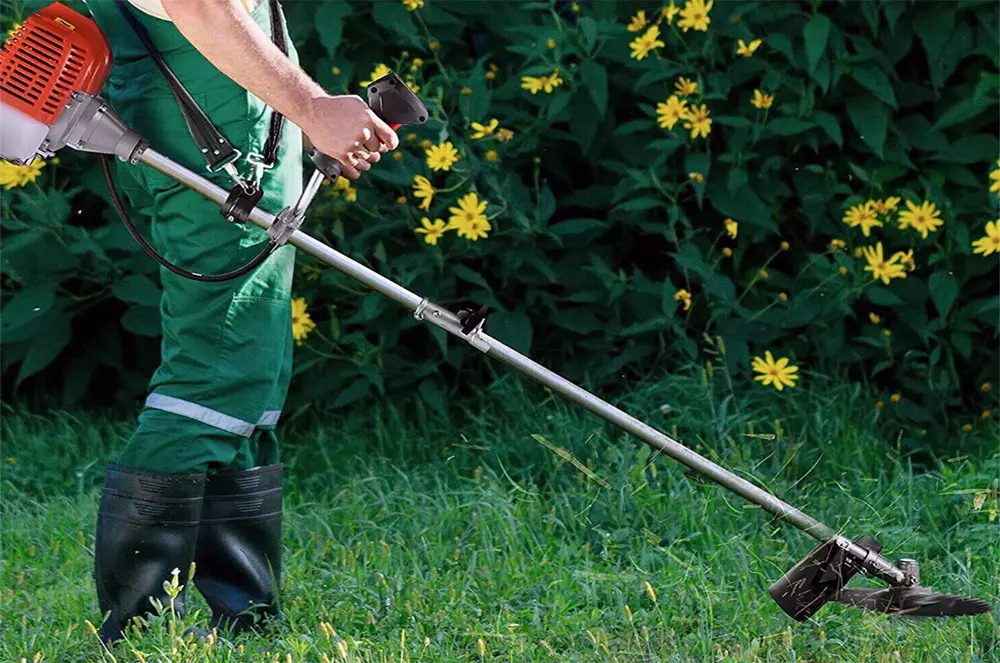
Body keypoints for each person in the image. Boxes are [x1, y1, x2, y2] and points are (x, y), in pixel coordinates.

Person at [81, 0, 398, 644]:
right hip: (206, 108)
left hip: (220, 97)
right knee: (214, 372)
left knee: (251, 371)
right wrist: (310, 107)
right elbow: (198, 7)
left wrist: (293, 105)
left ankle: (244, 615)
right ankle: (136, 632)